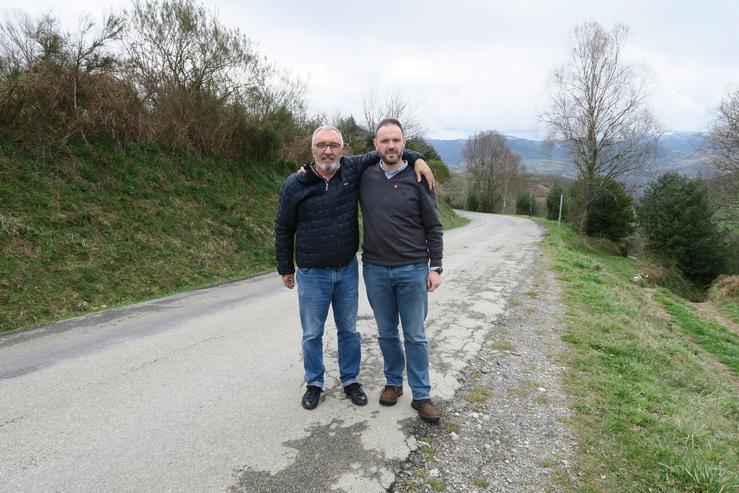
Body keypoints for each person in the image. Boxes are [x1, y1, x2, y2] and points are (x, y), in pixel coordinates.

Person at [274, 125, 434, 410]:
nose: (328, 150)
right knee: (312, 332)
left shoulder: (351, 170)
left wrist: (418, 157)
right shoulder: (294, 184)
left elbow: (389, 150)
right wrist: (285, 266)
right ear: (312, 150)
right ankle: (314, 383)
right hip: (312, 273)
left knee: (349, 330)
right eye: (321, 145)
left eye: (334, 145)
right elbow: (283, 227)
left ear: (343, 149)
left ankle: (350, 381)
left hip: (347, 268)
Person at [359, 118, 443, 423]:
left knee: (415, 335)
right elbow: (330, 162)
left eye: (396, 141)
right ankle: (393, 383)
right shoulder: (364, 175)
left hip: (412, 268)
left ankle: (421, 395)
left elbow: (434, 225)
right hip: (376, 270)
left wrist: (436, 267)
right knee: (386, 332)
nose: (391, 146)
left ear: (404, 143)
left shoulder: (419, 177)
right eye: (384, 141)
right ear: (375, 145)